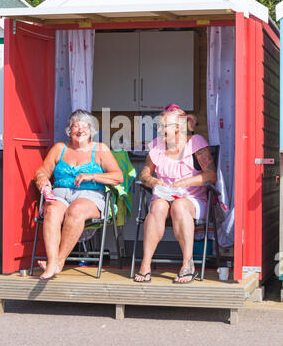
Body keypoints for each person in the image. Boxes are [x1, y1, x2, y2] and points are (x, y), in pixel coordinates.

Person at [34, 109, 123, 280]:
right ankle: (52, 262)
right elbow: (42, 171)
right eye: (76, 126)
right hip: (60, 194)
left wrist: (92, 176)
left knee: (76, 209)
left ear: (91, 131)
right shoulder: (59, 148)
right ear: (69, 130)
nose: (80, 130)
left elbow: (118, 177)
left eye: (85, 127)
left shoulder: (100, 149)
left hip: (90, 196)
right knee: (51, 210)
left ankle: (58, 262)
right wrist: (42, 179)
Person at [134, 104, 217, 284]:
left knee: (179, 205)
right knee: (157, 206)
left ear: (178, 127)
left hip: (192, 199)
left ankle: (188, 264)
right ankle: (145, 264)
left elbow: (211, 175)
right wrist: (154, 181)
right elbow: (144, 174)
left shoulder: (196, 143)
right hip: (165, 196)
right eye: (160, 126)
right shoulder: (156, 146)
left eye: (164, 126)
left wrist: (185, 182)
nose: (160, 130)